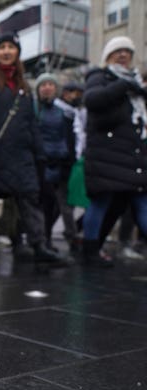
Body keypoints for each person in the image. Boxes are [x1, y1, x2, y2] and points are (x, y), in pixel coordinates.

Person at [0, 33, 66, 266]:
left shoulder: (23, 86)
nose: (6, 51)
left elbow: (31, 123)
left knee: (29, 198)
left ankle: (37, 245)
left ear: (17, 53)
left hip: (21, 154)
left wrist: (40, 153)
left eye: (11, 47)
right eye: (2, 47)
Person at [81, 36, 147, 266]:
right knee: (101, 202)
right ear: (107, 56)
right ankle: (90, 251)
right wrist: (124, 86)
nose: (123, 55)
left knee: (141, 203)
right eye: (117, 51)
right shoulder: (101, 77)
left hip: (133, 156)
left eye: (127, 51)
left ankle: (93, 248)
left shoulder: (136, 86)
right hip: (106, 155)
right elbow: (93, 100)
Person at [34, 72, 78, 252]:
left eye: (50, 84)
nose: (47, 87)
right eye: (43, 85)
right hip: (40, 164)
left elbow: (69, 137)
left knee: (57, 205)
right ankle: (41, 239)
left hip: (60, 164)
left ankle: (47, 237)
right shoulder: (34, 110)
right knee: (44, 203)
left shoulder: (64, 112)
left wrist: (69, 158)